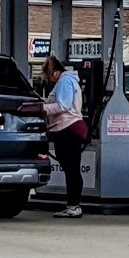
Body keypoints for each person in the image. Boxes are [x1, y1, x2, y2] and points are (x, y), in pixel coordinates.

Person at [41, 55, 88, 218]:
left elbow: (63, 105)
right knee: (71, 168)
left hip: (67, 128)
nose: (50, 80)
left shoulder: (64, 81)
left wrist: (43, 108)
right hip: (70, 128)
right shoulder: (69, 81)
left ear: (55, 73)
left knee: (71, 169)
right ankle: (73, 204)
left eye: (49, 76)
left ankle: (74, 205)